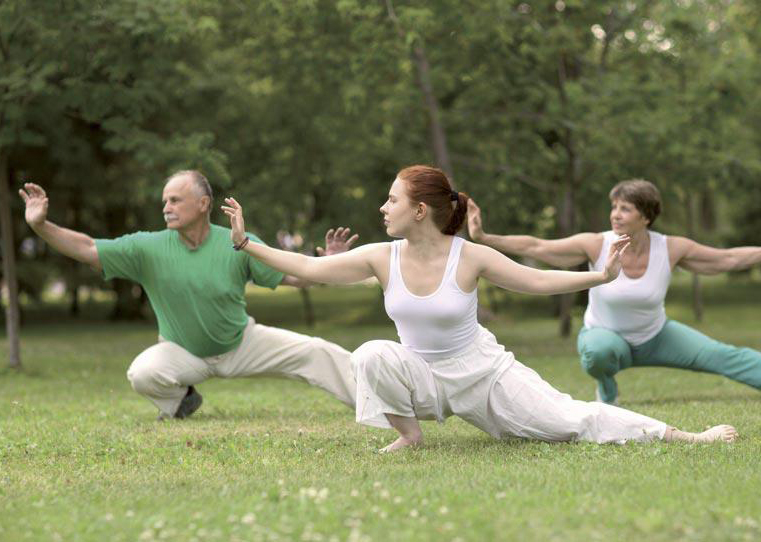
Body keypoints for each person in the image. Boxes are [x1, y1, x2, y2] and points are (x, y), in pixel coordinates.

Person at [222, 166, 737, 452]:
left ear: (419, 210)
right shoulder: (381, 257)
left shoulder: (469, 256)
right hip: (423, 375)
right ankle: (410, 436)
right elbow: (308, 270)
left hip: (484, 375)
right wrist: (247, 243)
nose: (383, 208)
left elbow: (536, 279)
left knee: (568, 422)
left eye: (391, 200)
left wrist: (599, 276)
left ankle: (684, 435)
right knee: (371, 354)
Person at [19, 170, 358, 420]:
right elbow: (89, 248)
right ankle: (182, 400)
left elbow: (294, 277)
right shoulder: (147, 247)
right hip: (182, 352)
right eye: (165, 200)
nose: (166, 206)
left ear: (203, 203)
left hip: (242, 343)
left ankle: (377, 402)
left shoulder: (237, 241)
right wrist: (41, 226)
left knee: (316, 350)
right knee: (143, 373)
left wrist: (329, 264)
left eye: (175, 200)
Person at [467, 179, 761, 405]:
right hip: (606, 337)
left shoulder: (670, 248)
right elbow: (537, 247)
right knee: (598, 353)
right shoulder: (596, 243)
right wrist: (484, 237)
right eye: (614, 207)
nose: (615, 215)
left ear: (646, 217)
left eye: (625, 208)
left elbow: (728, 259)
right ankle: (607, 386)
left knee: (723, 355)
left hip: (656, 336)